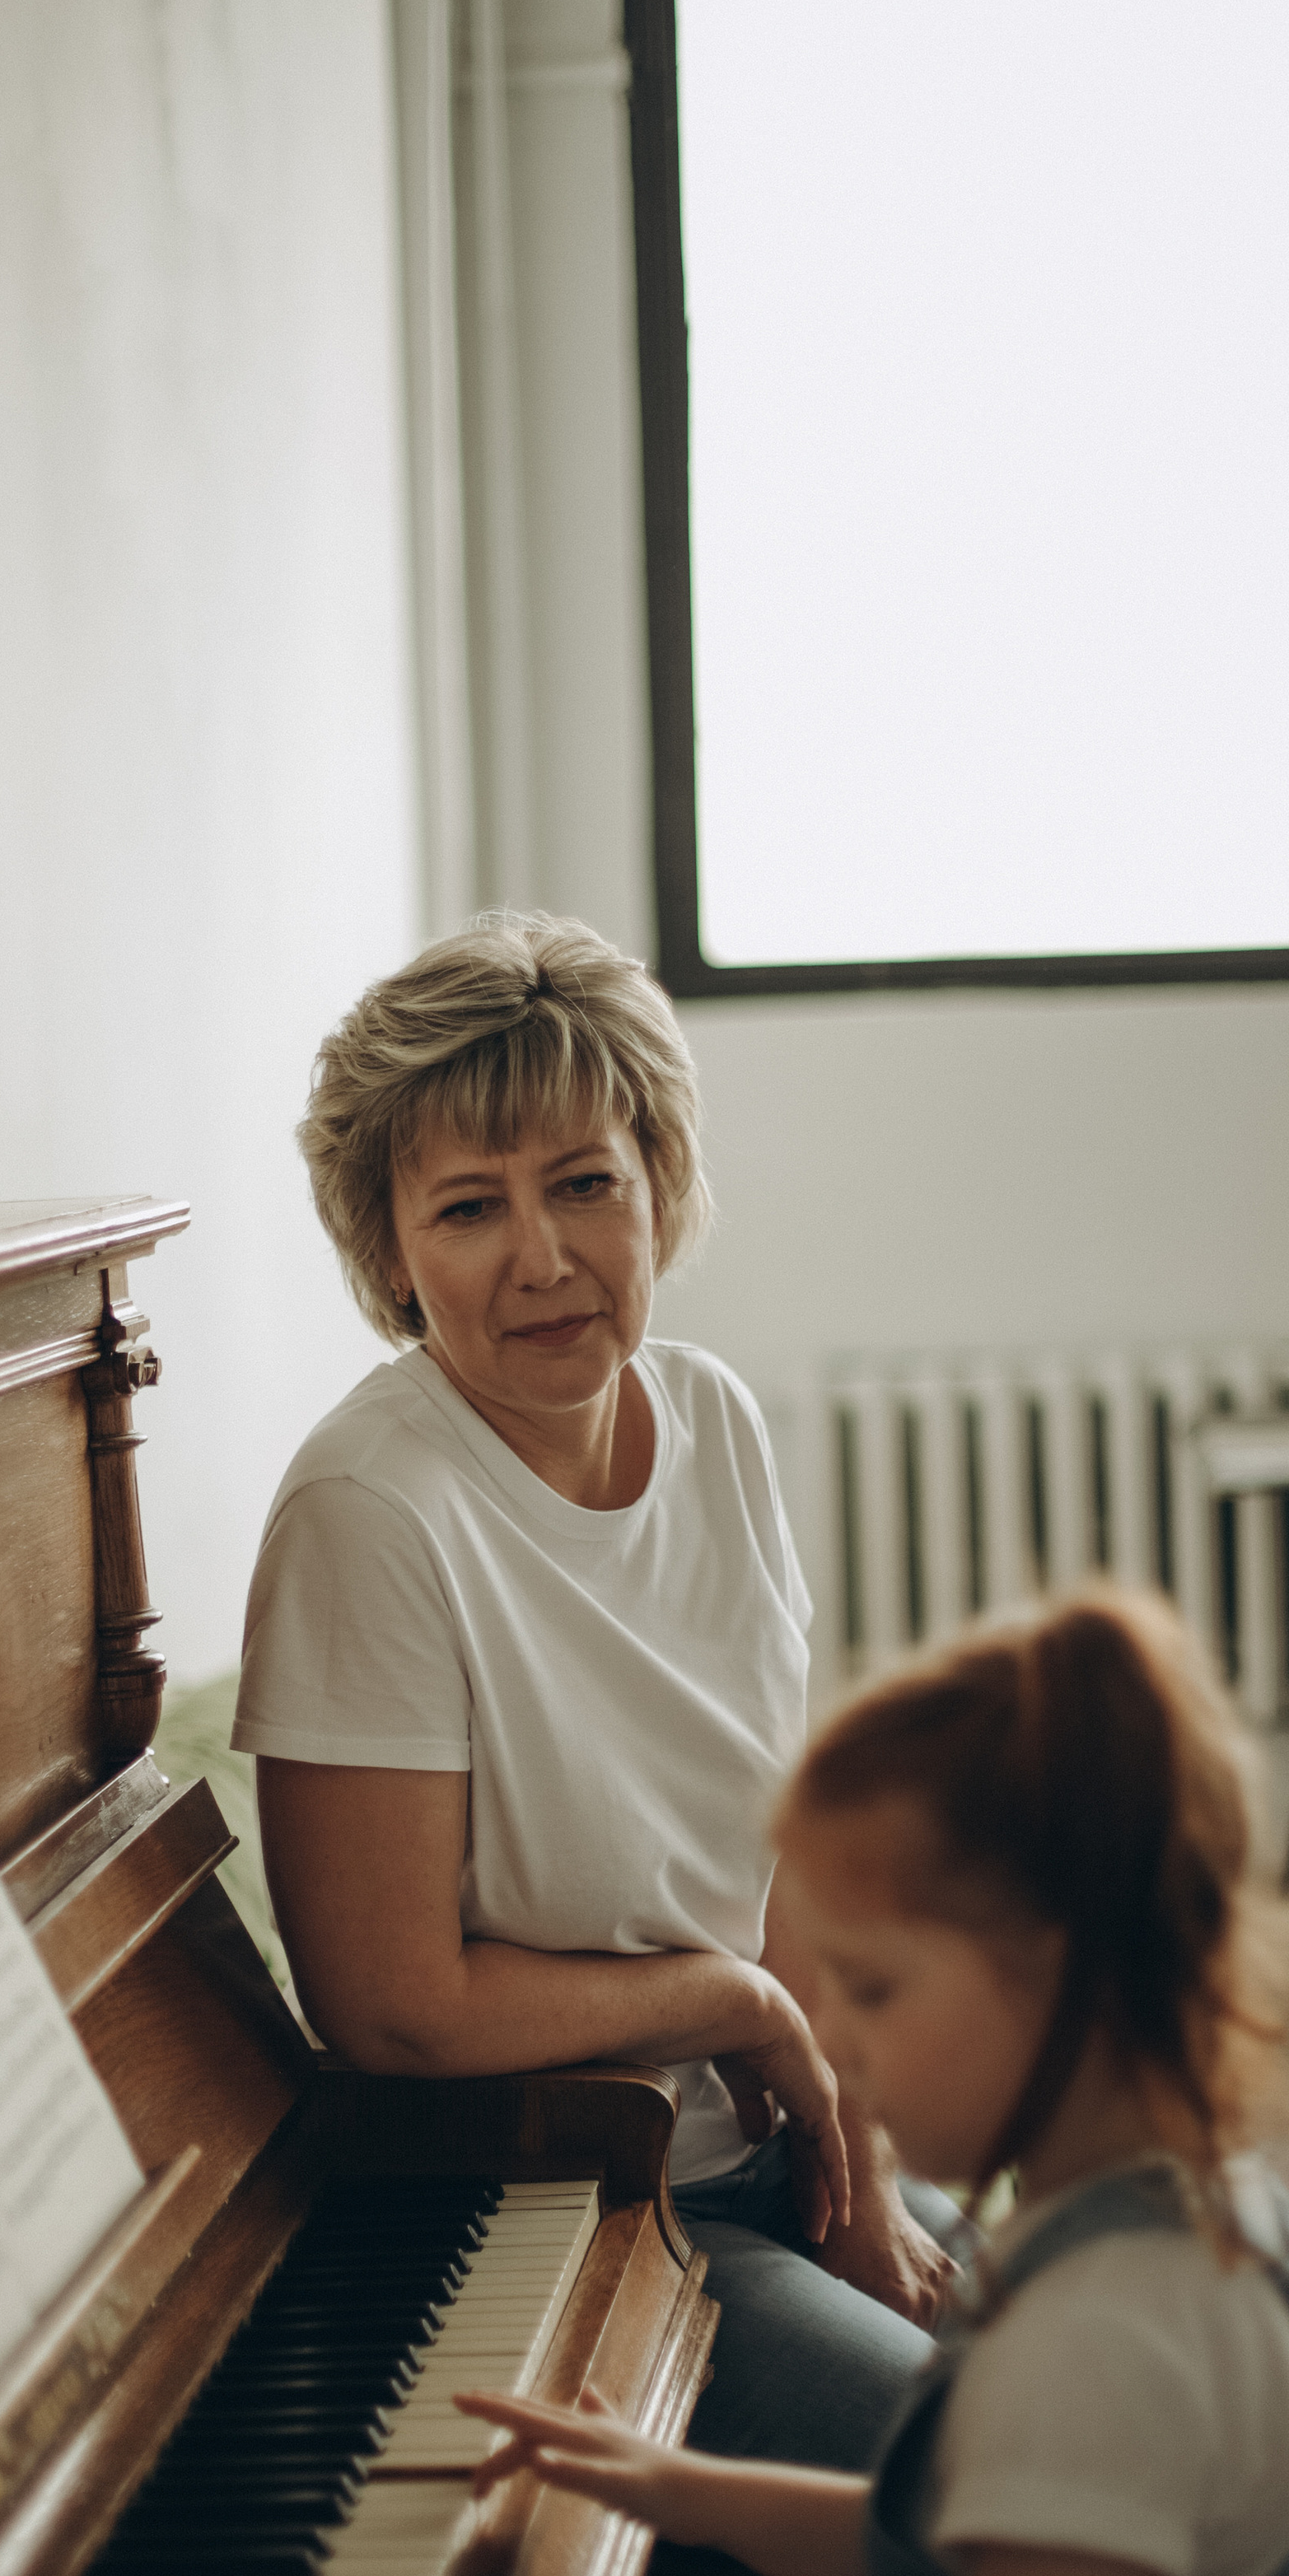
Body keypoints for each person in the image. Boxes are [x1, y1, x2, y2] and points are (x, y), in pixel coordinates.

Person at [290, 1592, 1289, 2576]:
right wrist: (688, 2494)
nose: (831, 2043)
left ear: (1066, 1979)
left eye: (871, 1992)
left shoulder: (1112, 2340)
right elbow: (963, 2556)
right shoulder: (1176, 2217)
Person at [233, 912, 961, 2485]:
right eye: (469, 1208)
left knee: (1142, 2369)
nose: (545, 1259)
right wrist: (733, 2005)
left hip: (773, 2148)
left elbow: (785, 1853)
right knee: (997, 2470)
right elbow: (391, 2007)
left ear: (657, 1186)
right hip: (577, 2211)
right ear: (390, 1252)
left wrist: (858, 2170)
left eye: (584, 1184)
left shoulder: (716, 1422)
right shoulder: (372, 1510)